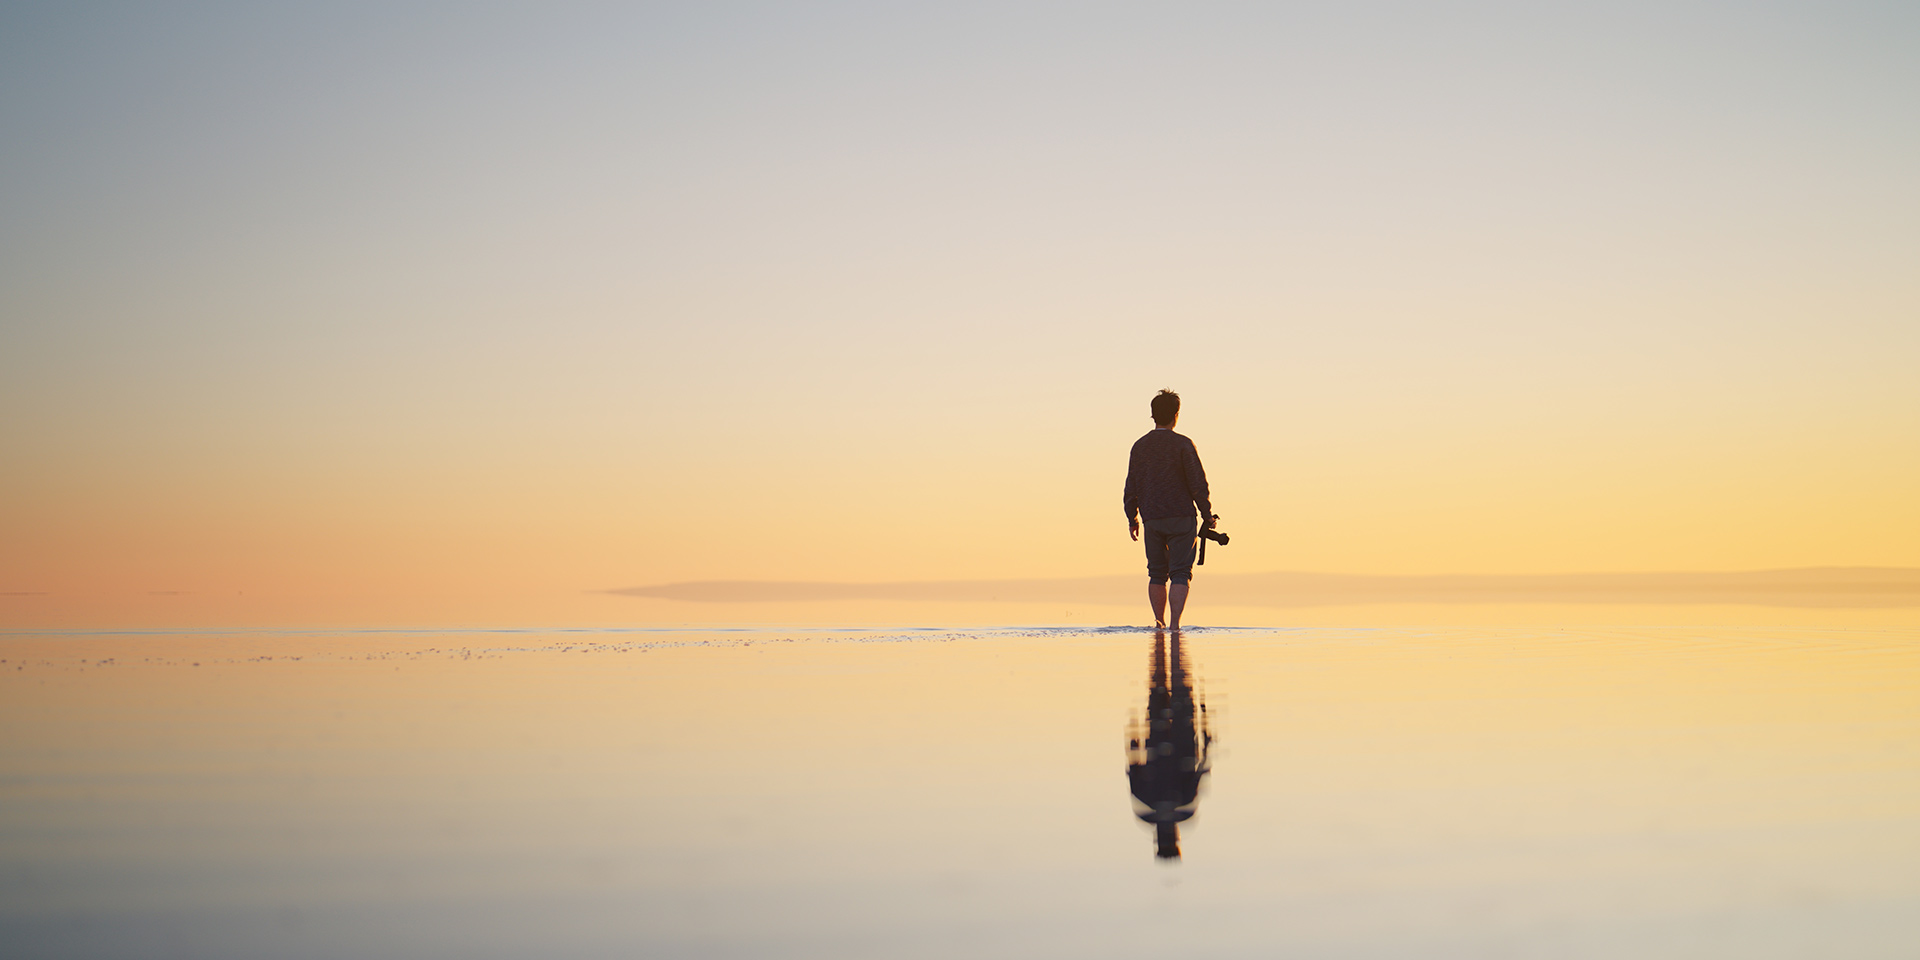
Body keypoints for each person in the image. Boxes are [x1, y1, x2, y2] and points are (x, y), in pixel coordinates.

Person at [1123, 389, 1215, 630]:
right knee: (1180, 572)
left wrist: (1132, 517)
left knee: (1156, 573)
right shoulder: (1183, 444)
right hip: (1182, 517)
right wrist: (1207, 515)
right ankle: (1175, 626)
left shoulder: (1139, 446)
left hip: (1151, 517)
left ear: (1153, 415)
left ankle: (1159, 622)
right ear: (1176, 414)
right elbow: (1198, 484)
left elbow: (1130, 486)